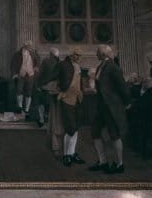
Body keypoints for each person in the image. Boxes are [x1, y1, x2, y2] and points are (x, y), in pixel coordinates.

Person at [91, 45, 131, 174]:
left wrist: (127, 102)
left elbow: (122, 87)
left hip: (111, 106)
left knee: (114, 134)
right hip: (101, 105)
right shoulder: (100, 67)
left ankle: (120, 164)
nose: (96, 54)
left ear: (103, 54)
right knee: (95, 131)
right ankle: (102, 161)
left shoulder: (113, 67)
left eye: (97, 52)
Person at [56, 48, 87, 166]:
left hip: (77, 100)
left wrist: (81, 93)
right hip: (67, 99)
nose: (79, 57)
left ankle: (72, 153)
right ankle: (66, 155)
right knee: (70, 127)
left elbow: (79, 83)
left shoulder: (78, 67)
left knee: (76, 128)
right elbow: (58, 80)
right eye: (77, 55)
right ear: (71, 55)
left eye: (80, 56)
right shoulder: (64, 65)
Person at [10, 40, 39, 117]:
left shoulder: (33, 53)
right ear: (25, 46)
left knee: (29, 92)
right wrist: (14, 74)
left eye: (30, 46)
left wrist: (36, 67)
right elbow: (13, 64)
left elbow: (37, 62)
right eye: (28, 46)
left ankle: (27, 109)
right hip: (21, 75)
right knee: (19, 90)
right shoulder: (17, 54)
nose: (30, 47)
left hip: (30, 75)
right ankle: (20, 107)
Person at [35, 47, 61, 128]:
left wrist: (38, 85)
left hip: (45, 86)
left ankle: (42, 120)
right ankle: (51, 122)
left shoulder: (46, 61)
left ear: (50, 54)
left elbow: (40, 74)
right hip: (55, 87)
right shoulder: (59, 62)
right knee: (52, 105)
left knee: (41, 103)